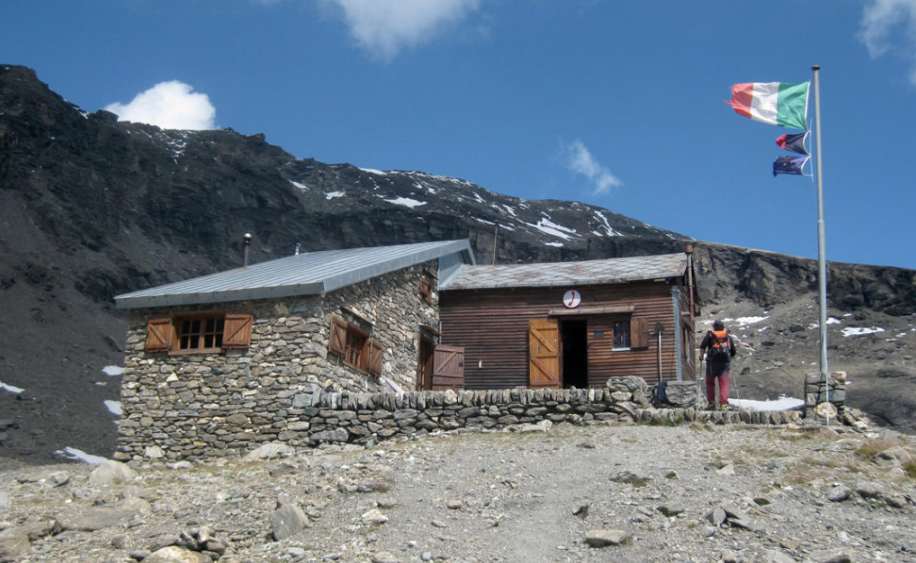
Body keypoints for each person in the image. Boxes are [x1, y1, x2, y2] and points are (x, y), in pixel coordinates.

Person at [699, 320, 737, 410]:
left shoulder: (710, 335)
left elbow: (703, 346)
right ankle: (723, 404)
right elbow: (733, 351)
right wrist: (729, 358)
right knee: (723, 384)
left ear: (714, 327)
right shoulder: (727, 336)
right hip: (724, 364)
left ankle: (711, 403)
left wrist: (701, 356)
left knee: (710, 383)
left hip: (712, 364)